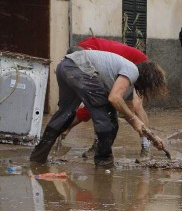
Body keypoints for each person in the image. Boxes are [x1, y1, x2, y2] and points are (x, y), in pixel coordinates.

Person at [30, 50, 167, 167]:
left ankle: (38, 157)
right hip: (79, 68)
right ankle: (104, 161)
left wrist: (152, 137)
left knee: (65, 114)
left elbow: (128, 113)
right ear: (148, 80)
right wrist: (135, 120)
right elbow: (114, 98)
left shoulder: (126, 83)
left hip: (65, 66)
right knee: (108, 117)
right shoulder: (132, 70)